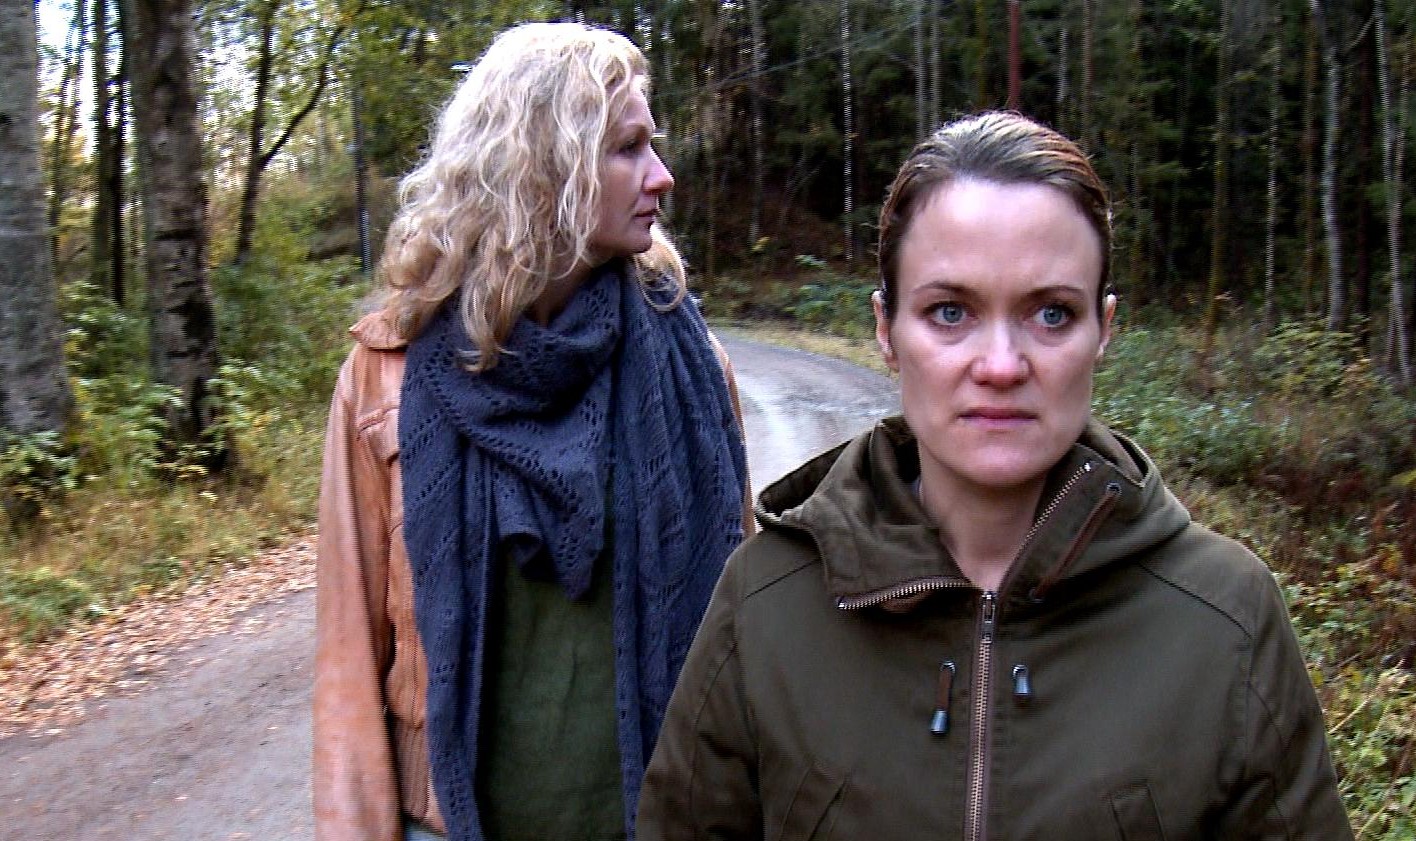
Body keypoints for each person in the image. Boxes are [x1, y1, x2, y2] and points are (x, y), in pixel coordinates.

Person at [636, 111, 1354, 840]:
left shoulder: (1225, 617)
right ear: (886, 329)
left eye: (1052, 314)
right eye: (951, 312)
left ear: (1103, 330)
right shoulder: (766, 604)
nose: (1003, 365)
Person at [313, 22, 752, 841]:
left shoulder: (690, 366)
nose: (661, 175)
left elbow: (741, 635)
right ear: (546, 165)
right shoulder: (385, 378)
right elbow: (346, 670)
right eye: (628, 148)